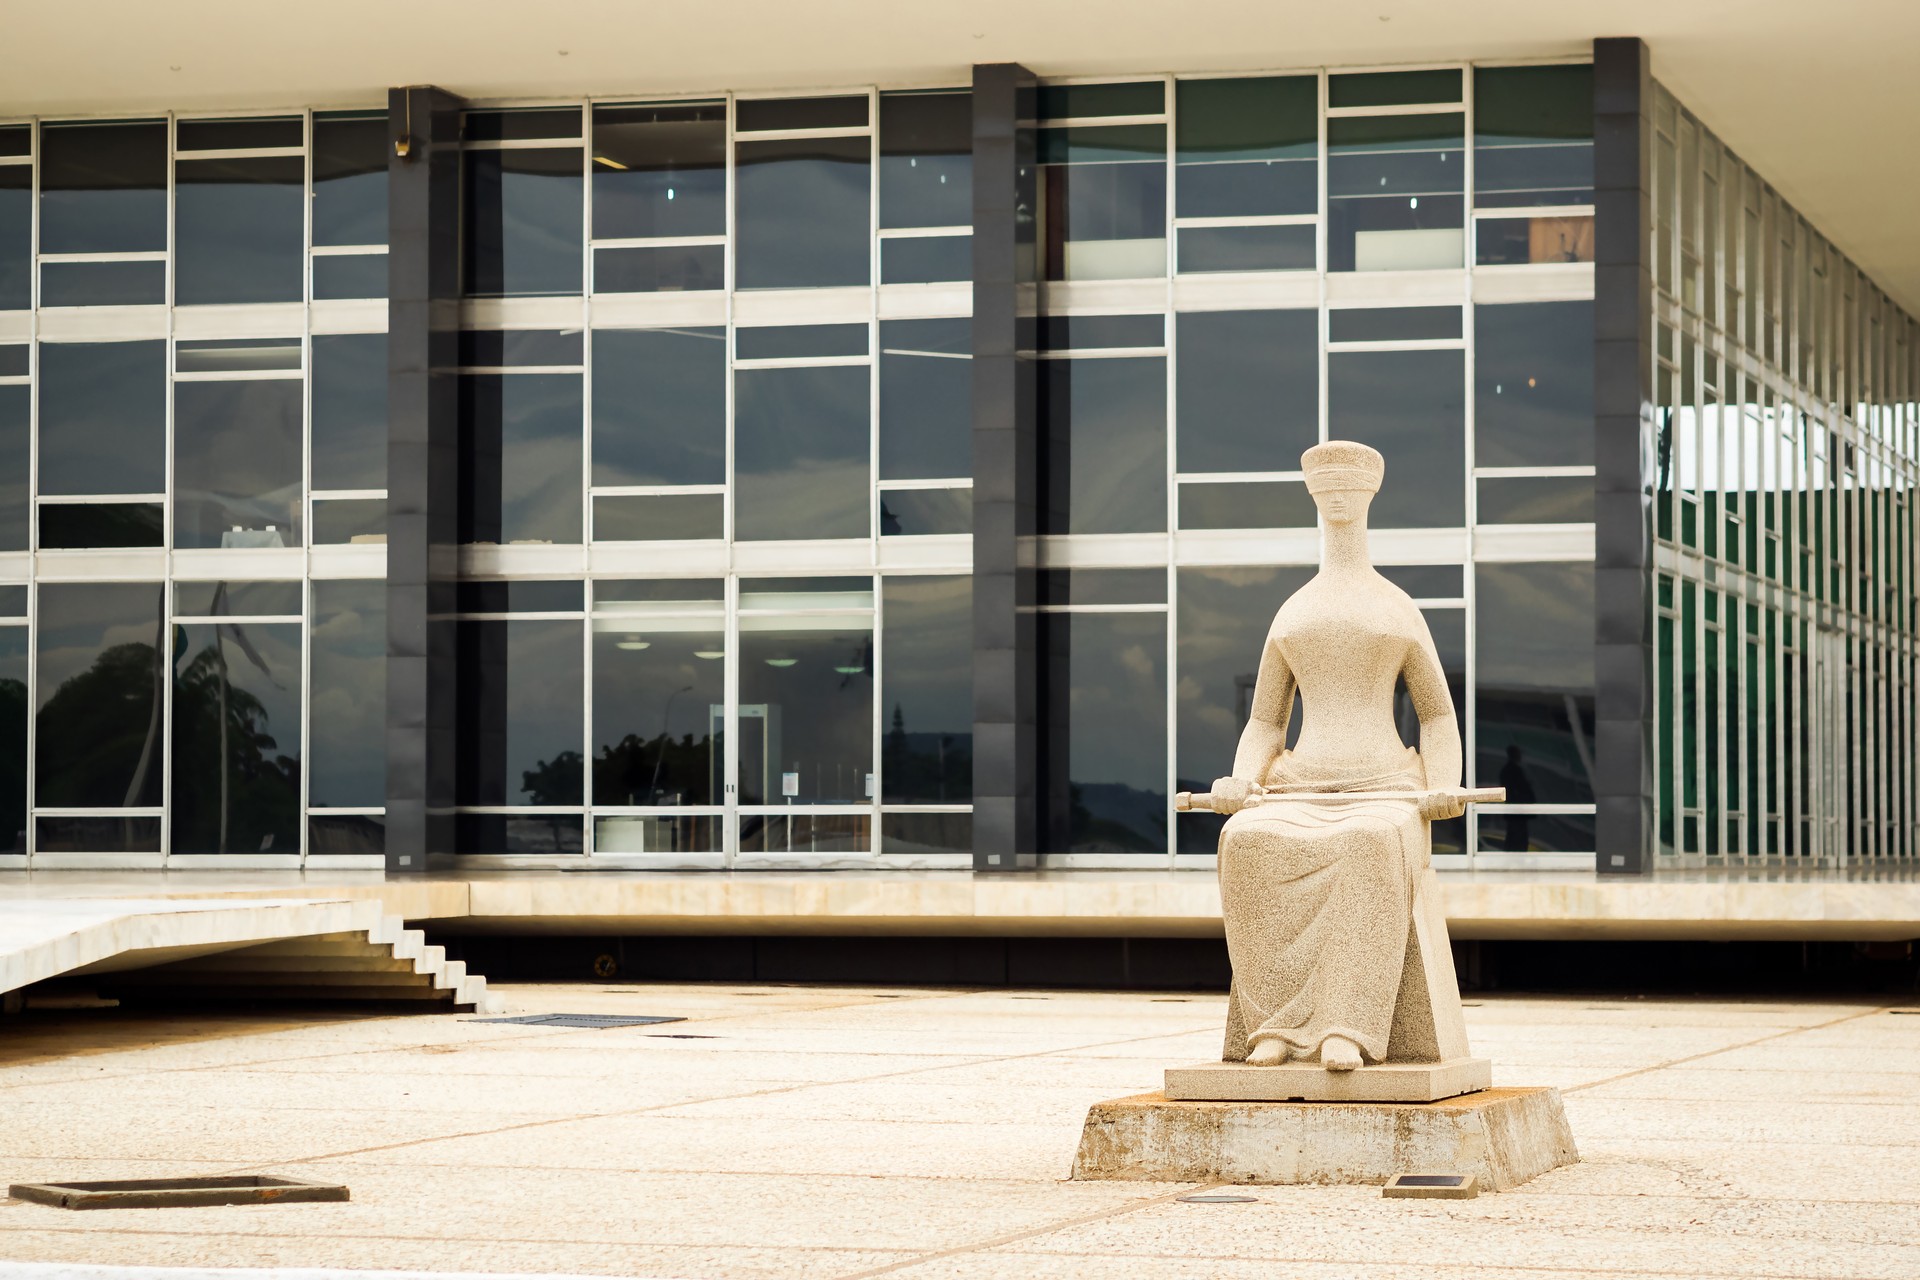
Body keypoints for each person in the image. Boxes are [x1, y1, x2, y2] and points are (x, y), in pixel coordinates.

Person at [1206, 440, 1472, 1071]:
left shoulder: (1397, 607)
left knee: (1370, 843)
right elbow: (1265, 721)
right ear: (1315, 500)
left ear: (1369, 496)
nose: (1339, 502)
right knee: (1244, 841)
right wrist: (1243, 778)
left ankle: (1345, 1028)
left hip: (1385, 789)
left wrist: (1444, 783)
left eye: (1349, 491)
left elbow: (1436, 713)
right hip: (1299, 788)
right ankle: (1273, 1025)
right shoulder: (1293, 610)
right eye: (1328, 493)